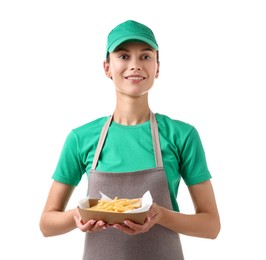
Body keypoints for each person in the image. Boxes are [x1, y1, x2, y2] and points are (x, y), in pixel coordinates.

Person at [39, 20, 221, 259]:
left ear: (157, 67)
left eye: (145, 57)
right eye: (123, 56)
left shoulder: (182, 136)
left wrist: (161, 216)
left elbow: (211, 226)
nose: (135, 65)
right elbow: (46, 223)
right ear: (107, 67)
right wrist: (77, 216)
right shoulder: (80, 138)